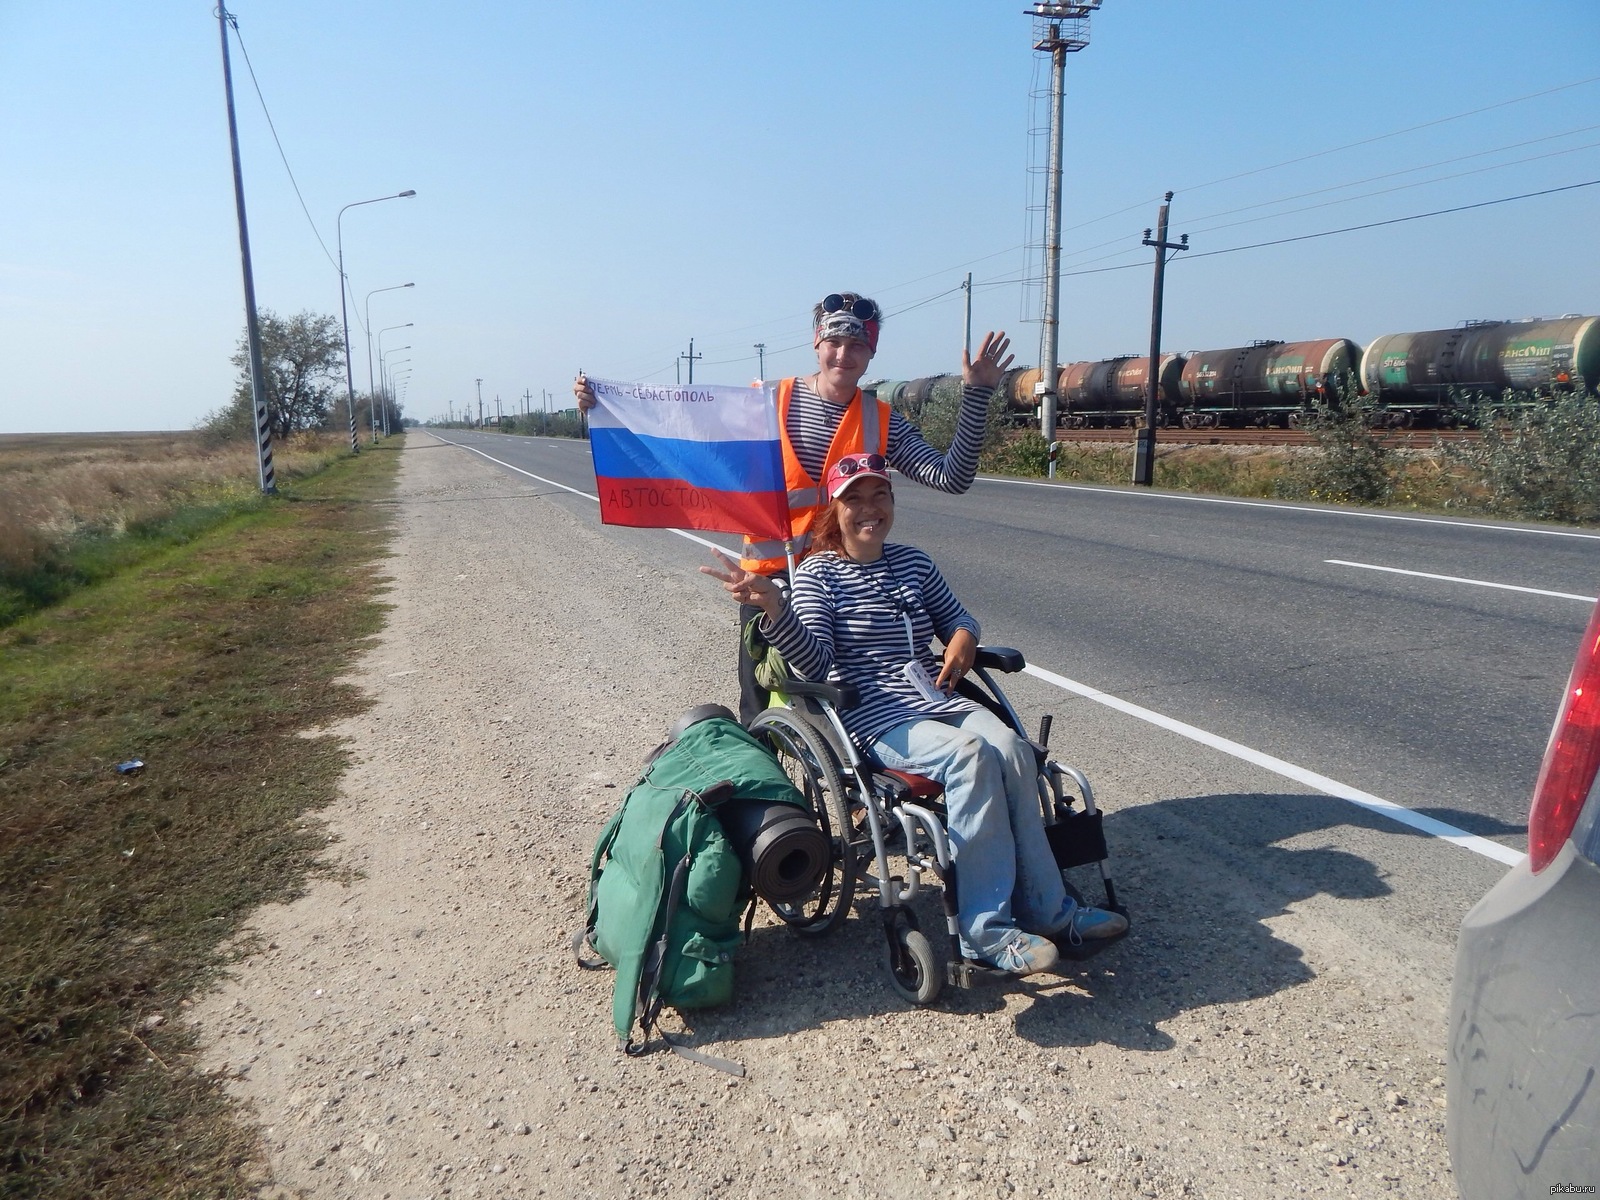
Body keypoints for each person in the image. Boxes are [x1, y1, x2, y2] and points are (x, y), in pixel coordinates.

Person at [700, 452, 1128, 977]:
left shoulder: (913, 563)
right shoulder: (817, 574)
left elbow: (957, 617)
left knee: (1015, 750)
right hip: (874, 714)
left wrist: (963, 640)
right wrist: (775, 607)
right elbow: (813, 661)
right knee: (971, 757)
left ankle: (1049, 909)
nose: (869, 508)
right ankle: (985, 932)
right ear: (833, 512)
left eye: (879, 495)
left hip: (937, 698)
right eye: (853, 499)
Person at [575, 291, 1014, 723]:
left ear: (871, 351)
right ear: (817, 344)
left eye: (858, 344)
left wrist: (975, 394)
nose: (844, 354)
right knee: (759, 708)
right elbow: (680, 427)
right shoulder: (762, 401)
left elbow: (951, 477)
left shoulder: (882, 419)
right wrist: (608, 408)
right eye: (835, 343)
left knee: (847, 709)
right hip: (770, 581)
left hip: (842, 586)